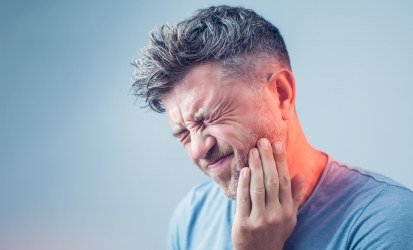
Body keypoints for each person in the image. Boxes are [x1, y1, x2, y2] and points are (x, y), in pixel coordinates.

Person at [132, 5, 413, 250]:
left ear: (281, 94)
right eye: (183, 134)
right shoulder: (191, 217)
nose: (198, 149)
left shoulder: (389, 222)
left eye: (208, 118)